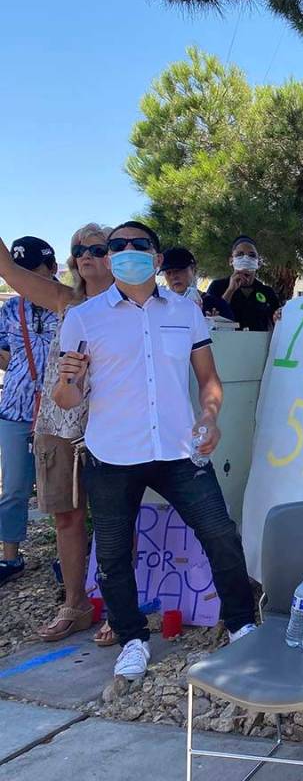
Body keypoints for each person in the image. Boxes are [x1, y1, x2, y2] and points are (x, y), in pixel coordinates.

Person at [55, 221, 257, 680]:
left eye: (138, 245)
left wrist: (209, 416)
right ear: (107, 258)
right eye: (117, 246)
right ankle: (131, 638)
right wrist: (68, 380)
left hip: (179, 449)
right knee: (111, 552)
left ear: (157, 257)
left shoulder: (185, 312)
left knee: (220, 533)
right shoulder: (83, 318)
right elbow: (67, 398)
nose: (127, 251)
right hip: (112, 454)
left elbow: (208, 380)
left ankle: (242, 625)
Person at [0, 225, 119, 642]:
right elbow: (9, 270)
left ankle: (118, 608)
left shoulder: (133, 307)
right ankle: (76, 604)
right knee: (66, 517)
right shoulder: (65, 301)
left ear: (114, 254)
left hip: (112, 426)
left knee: (113, 521)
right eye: (78, 249)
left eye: (96, 248)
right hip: (58, 424)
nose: (85, 255)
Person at [0, 237, 59, 585]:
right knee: (14, 488)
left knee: (62, 489)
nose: (27, 280)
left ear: (51, 269)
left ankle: (64, 557)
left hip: (60, 414)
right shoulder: (9, 311)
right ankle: (10, 557)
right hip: (14, 409)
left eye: (32, 271)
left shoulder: (68, 304)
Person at [206, 237, 279, 331]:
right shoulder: (217, 286)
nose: (246, 258)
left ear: (258, 263)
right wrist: (230, 290)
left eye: (252, 255)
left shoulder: (267, 292)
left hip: (258, 344)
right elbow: (209, 319)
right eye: (240, 254)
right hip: (225, 343)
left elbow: (277, 322)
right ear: (231, 261)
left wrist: (277, 317)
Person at [160, 248, 235, 321]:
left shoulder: (216, 305)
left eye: (178, 270)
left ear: (193, 269)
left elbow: (232, 331)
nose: (173, 276)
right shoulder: (159, 306)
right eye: (168, 273)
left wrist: (217, 325)